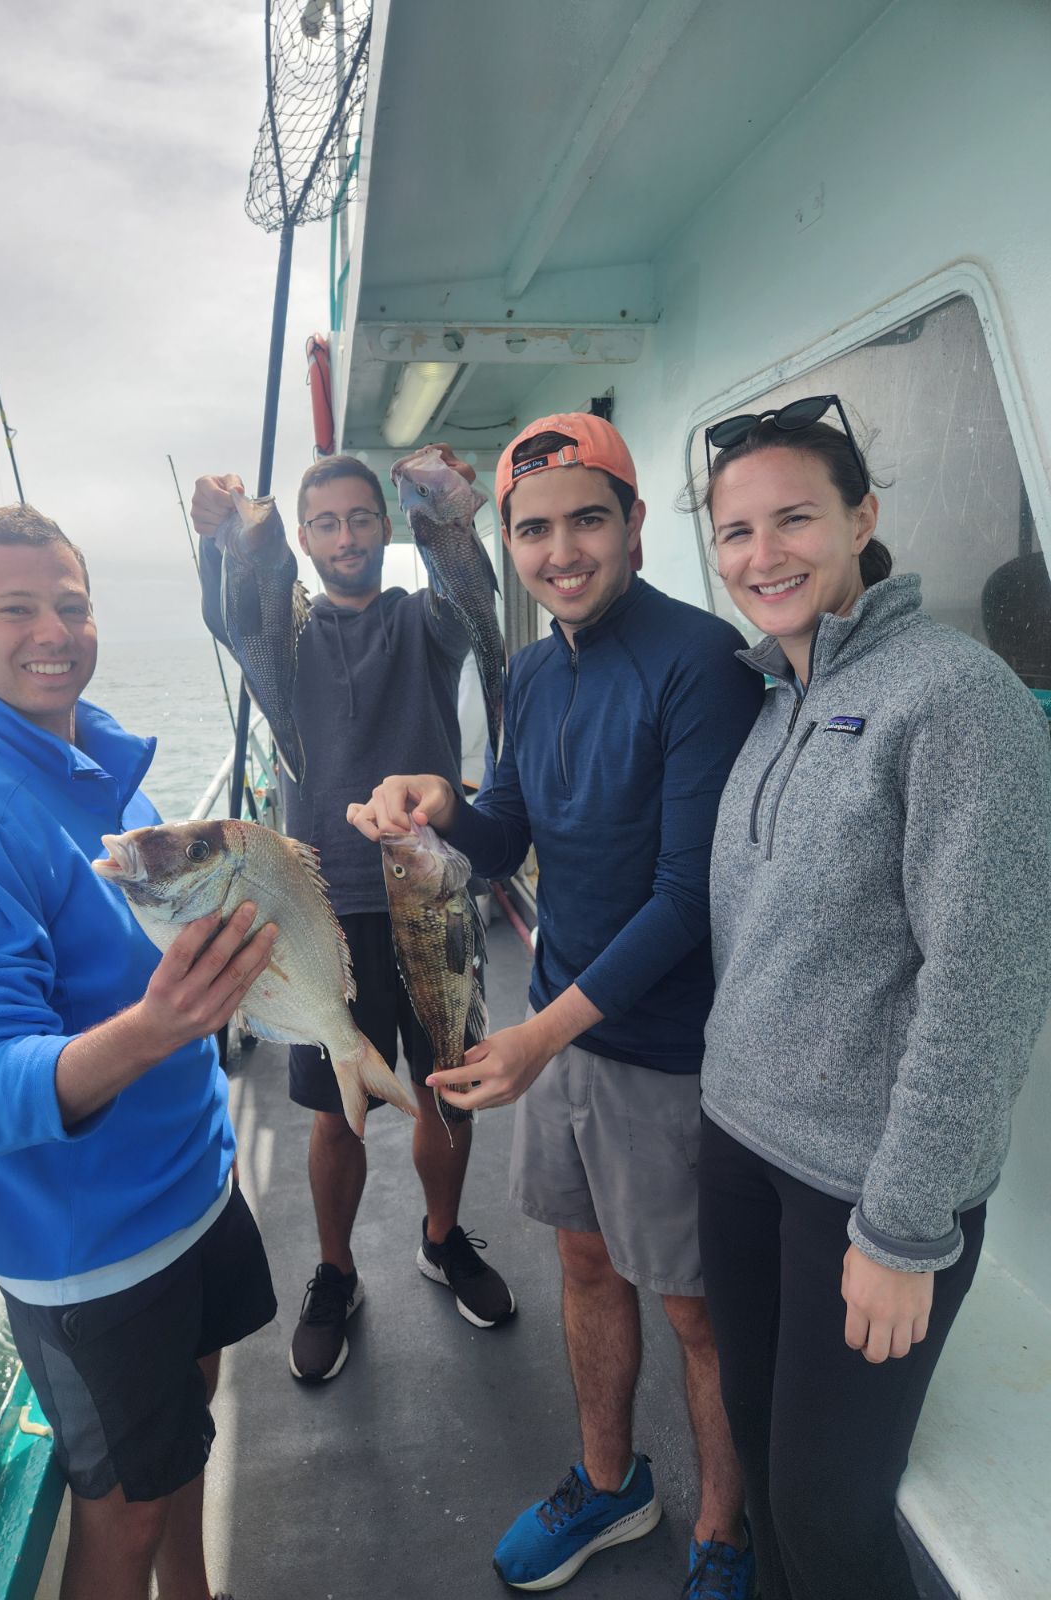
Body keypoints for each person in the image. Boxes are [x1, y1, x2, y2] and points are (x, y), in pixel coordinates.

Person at [348, 413, 764, 1597]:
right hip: (565, 1025)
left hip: (665, 1049)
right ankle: (610, 1480)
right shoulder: (531, 670)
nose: (561, 550)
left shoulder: (700, 662)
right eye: (534, 529)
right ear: (511, 543)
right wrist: (438, 805)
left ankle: (725, 1530)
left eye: (589, 518)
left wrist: (536, 1033)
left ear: (636, 525)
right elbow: (507, 838)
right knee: (584, 1266)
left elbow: (690, 898)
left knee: (694, 1310)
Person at [0, 504, 280, 1600]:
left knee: (187, 1445)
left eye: (71, 603)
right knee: (124, 1511)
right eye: (16, 608)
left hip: (197, 1189)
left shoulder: (101, 772)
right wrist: (156, 1028)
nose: (53, 630)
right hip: (97, 1258)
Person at [690, 395, 1051, 1599]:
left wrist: (904, 1227)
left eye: (794, 517)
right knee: (757, 1444)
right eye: (736, 532)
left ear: (862, 520)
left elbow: (986, 985)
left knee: (829, 1515)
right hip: (739, 1145)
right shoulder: (774, 698)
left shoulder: (956, 697)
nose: (762, 555)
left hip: (865, 1187)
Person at [191, 455, 515, 1386]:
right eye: (325, 522)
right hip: (319, 915)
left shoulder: (424, 624)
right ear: (301, 537)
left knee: (448, 1090)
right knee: (338, 1113)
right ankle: (336, 1273)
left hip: (432, 896)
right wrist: (219, 538)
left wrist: (458, 511)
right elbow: (230, 612)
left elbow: (467, 598)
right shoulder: (280, 641)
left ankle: (442, 1240)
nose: (346, 536)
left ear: (387, 527)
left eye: (362, 518)